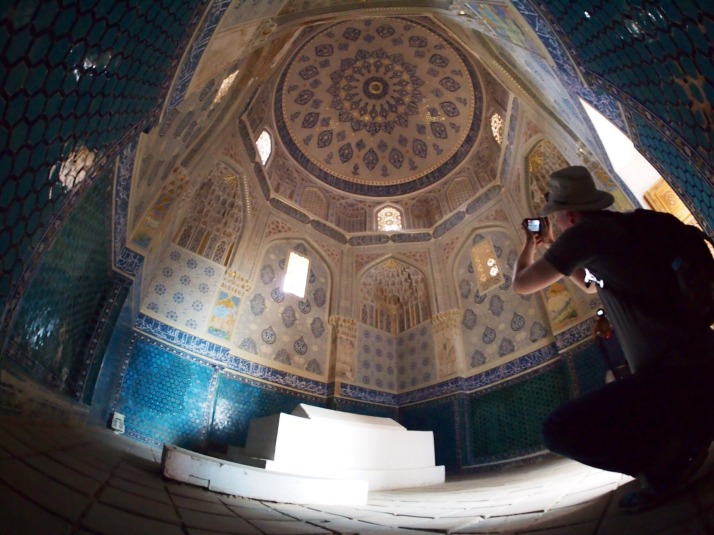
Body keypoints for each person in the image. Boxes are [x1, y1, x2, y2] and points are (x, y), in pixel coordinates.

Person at [512, 165, 714, 510]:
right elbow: (590, 286)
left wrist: (527, 246)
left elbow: (522, 284)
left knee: (558, 430)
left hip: (673, 373)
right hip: (698, 360)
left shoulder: (585, 236)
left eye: (556, 215)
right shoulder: (622, 228)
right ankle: (692, 428)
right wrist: (551, 244)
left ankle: (672, 465)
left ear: (569, 214)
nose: (554, 221)